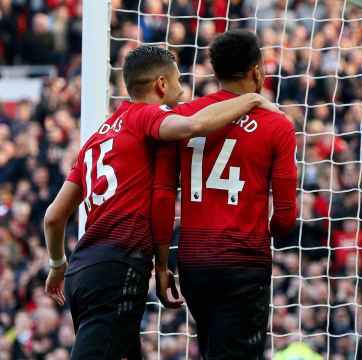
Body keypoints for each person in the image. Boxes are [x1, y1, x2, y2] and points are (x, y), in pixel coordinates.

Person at [42, 45, 279, 359]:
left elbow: (54, 217)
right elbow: (192, 125)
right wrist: (249, 98)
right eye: (178, 79)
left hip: (82, 271)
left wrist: (58, 265)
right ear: (161, 85)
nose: (182, 88)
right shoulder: (144, 116)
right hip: (118, 265)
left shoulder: (96, 138)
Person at [153, 30, 297, 359]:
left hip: (194, 262)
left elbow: (162, 196)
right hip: (242, 260)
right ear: (257, 71)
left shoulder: (183, 118)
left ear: (215, 73)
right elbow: (286, 216)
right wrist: (268, 230)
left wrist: (162, 265)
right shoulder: (276, 124)